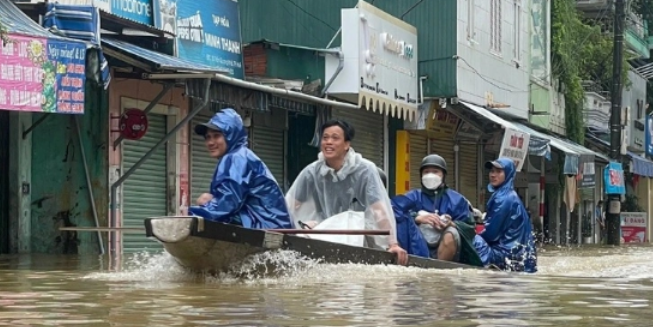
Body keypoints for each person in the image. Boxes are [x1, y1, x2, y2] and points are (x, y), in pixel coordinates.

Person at [285, 119, 408, 264]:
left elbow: (379, 210)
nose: (328, 142)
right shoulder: (312, 172)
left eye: (335, 138)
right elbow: (289, 205)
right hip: (324, 235)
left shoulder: (365, 170)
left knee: (349, 217)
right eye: (325, 138)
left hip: (358, 236)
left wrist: (392, 244)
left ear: (347, 144)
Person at [185, 108, 292, 229]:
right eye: (208, 137)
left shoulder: (236, 158)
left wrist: (191, 216)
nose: (210, 142)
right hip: (268, 223)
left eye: (216, 136)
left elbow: (227, 203)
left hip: (265, 226)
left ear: (231, 135)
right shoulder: (240, 155)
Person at [392, 154, 478, 262]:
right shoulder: (412, 196)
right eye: (426, 172)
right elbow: (394, 211)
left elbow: (470, 227)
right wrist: (417, 218)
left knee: (451, 233)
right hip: (417, 244)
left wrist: (451, 224)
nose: (430, 175)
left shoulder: (457, 200)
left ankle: (438, 268)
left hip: (445, 247)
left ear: (443, 175)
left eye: (435, 171)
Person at [473, 157, 538, 273]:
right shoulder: (510, 195)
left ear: (508, 174)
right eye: (492, 171)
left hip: (506, 256)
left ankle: (485, 268)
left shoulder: (503, 199)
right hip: (523, 259)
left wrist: (470, 232)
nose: (493, 175)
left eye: (499, 172)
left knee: (474, 239)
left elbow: (490, 235)